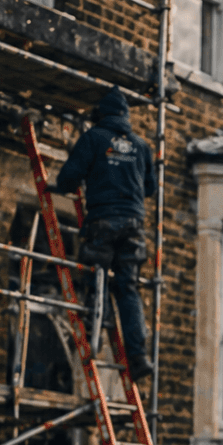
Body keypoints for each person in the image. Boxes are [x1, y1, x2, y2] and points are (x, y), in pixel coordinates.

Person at [53, 87, 157, 382]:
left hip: (103, 221)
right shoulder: (141, 146)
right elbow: (149, 188)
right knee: (128, 288)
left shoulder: (93, 139)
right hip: (133, 226)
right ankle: (138, 358)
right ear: (125, 116)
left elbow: (68, 177)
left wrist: (67, 186)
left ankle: (95, 327)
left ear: (102, 114)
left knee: (93, 274)